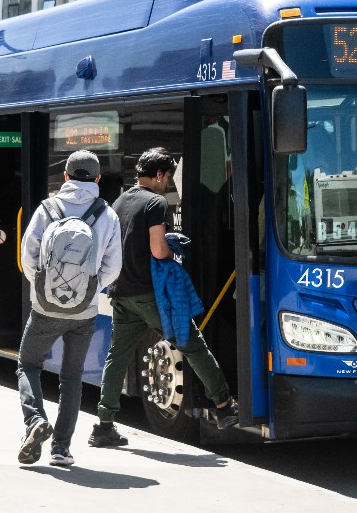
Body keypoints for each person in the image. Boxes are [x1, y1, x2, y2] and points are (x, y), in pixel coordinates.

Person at [90, 147, 238, 448]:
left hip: (121, 293)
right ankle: (224, 406)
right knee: (192, 343)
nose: (167, 183)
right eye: (168, 177)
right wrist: (173, 251)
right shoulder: (156, 203)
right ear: (158, 175)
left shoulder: (119, 201)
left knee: (117, 356)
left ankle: (104, 425)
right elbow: (158, 250)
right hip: (150, 295)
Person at [16, 150, 122, 466]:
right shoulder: (108, 215)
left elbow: (28, 257)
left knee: (28, 364)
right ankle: (61, 449)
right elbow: (113, 266)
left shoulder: (46, 209)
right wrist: (89, 289)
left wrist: (45, 289)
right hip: (85, 311)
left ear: (65, 176)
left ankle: (35, 419)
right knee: (72, 377)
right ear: (98, 179)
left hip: (45, 307)